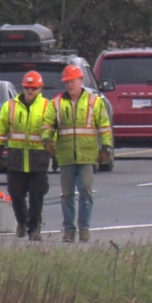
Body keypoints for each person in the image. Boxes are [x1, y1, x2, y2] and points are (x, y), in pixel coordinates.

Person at [42, 65, 113, 243]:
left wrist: (106, 147)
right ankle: (69, 230)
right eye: (67, 82)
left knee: (85, 193)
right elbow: (47, 123)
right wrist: (47, 140)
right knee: (66, 195)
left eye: (72, 81)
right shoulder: (57, 103)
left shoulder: (94, 102)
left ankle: (84, 228)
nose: (70, 85)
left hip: (87, 156)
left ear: (81, 81)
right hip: (65, 156)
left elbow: (104, 126)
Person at [0, 71, 51, 241]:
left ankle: (34, 228)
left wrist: (54, 151)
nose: (30, 91)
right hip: (16, 158)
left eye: (34, 88)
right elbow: (1, 127)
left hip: (38, 159)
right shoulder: (10, 106)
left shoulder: (48, 107)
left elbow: (53, 130)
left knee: (36, 196)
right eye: (27, 88)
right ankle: (22, 222)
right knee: (16, 194)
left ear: (40, 89)